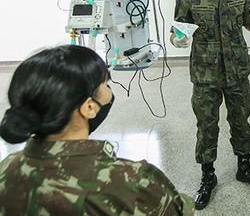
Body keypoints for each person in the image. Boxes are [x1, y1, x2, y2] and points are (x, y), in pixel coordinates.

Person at [0, 45, 193, 215]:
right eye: (106, 85)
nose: (109, 92)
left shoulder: (6, 169)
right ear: (89, 107)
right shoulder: (131, 182)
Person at [171, 0, 250, 210]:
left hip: (237, 70)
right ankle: (207, 176)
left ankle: (244, 167)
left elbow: (249, 21)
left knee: (241, 120)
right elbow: (178, 31)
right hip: (206, 75)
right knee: (207, 126)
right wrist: (177, 39)